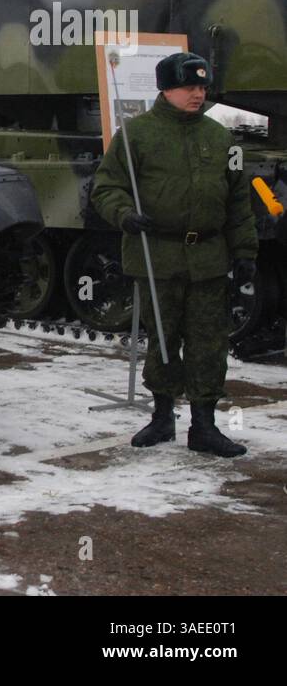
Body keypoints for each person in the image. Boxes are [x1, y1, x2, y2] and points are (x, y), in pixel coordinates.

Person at [90, 52, 257, 457]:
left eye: (202, 87)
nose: (198, 94)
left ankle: (204, 426)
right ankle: (162, 418)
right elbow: (106, 187)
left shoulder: (220, 139)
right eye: (189, 87)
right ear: (166, 89)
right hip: (157, 254)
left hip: (208, 258)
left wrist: (245, 250)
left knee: (208, 343)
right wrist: (124, 214)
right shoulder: (137, 136)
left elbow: (238, 200)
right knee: (163, 339)